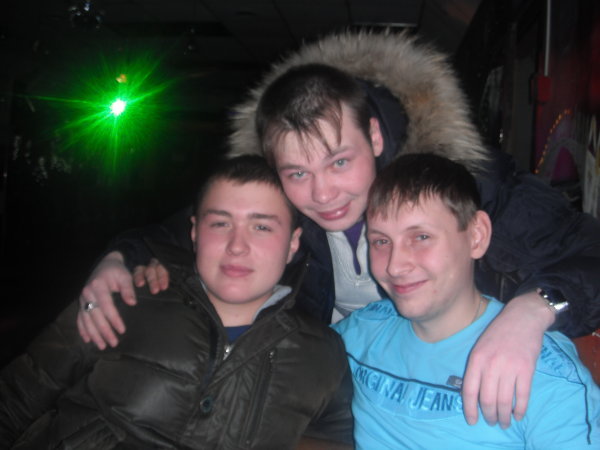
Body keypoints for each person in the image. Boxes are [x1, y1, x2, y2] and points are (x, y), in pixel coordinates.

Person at [76, 31, 600, 429]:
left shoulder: (467, 186)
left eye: (339, 162)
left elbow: (590, 252)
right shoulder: (282, 197)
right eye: (297, 173)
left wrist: (531, 311)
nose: (322, 194)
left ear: (374, 136)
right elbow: (193, 230)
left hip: (471, 402)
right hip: (348, 397)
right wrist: (119, 257)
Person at [0, 156, 353, 449]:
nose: (237, 246)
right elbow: (15, 401)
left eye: (261, 227)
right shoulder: (124, 301)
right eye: (220, 223)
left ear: (293, 244)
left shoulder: (323, 354)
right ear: (195, 232)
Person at [332, 152, 600, 449]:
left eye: (421, 237)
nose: (395, 266)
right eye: (381, 241)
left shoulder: (539, 369)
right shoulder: (363, 332)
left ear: (476, 236)